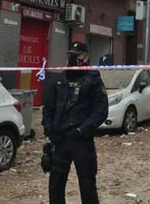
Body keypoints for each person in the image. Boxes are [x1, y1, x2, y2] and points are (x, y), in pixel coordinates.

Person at [42, 41, 109, 204]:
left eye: (77, 56)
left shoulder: (93, 79)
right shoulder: (59, 79)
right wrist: (50, 131)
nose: (73, 59)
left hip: (82, 141)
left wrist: (82, 130)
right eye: (71, 55)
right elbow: (48, 108)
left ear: (85, 57)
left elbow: (100, 111)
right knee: (55, 185)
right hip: (60, 140)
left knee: (87, 184)